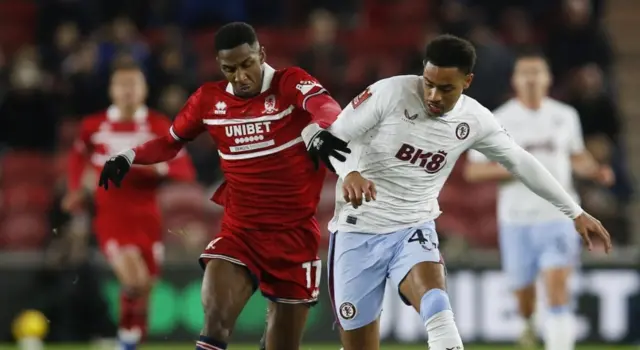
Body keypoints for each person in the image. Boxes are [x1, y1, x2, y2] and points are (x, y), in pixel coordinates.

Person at [325, 34, 612, 350]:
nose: (433, 95)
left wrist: (575, 211)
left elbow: (522, 163)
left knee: (438, 310)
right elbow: (334, 136)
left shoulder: (475, 119)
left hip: (413, 227)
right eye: (428, 83)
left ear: (467, 81)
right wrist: (349, 172)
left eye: (445, 88)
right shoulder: (390, 93)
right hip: (357, 231)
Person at [97, 22, 350, 350]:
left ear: (261, 54)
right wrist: (130, 156)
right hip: (240, 232)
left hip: (294, 236)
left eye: (247, 64)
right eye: (230, 69)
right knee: (215, 318)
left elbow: (326, 107)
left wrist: (319, 130)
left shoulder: (290, 82)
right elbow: (171, 141)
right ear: (220, 66)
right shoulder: (208, 100)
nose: (241, 76)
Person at [464, 51, 614, 350]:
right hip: (517, 219)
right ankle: (528, 324)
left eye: (537, 72)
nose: (531, 78)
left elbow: (575, 156)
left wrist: (595, 171)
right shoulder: (498, 119)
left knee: (558, 289)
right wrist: (516, 169)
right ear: (515, 80)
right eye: (525, 73)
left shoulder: (565, 115)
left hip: (559, 217)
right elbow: (472, 170)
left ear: (548, 79)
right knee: (524, 297)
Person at [62, 61, 196, 350]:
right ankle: (126, 341)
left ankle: (128, 341)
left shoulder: (160, 126)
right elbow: (77, 158)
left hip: (148, 218)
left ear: (144, 89)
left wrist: (153, 170)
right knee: (134, 280)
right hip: (112, 215)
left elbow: (185, 171)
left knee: (145, 287)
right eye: (121, 85)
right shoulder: (93, 126)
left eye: (133, 84)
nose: (127, 91)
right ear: (111, 89)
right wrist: (75, 190)